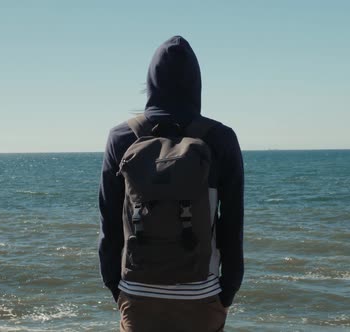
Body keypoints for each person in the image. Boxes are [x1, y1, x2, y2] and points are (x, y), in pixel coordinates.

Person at [98, 35, 244, 332]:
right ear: (196, 83)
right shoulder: (220, 138)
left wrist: (117, 288)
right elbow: (232, 226)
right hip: (201, 295)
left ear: (151, 83)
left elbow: (109, 225)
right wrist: (226, 293)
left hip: (138, 294)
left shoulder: (122, 138)